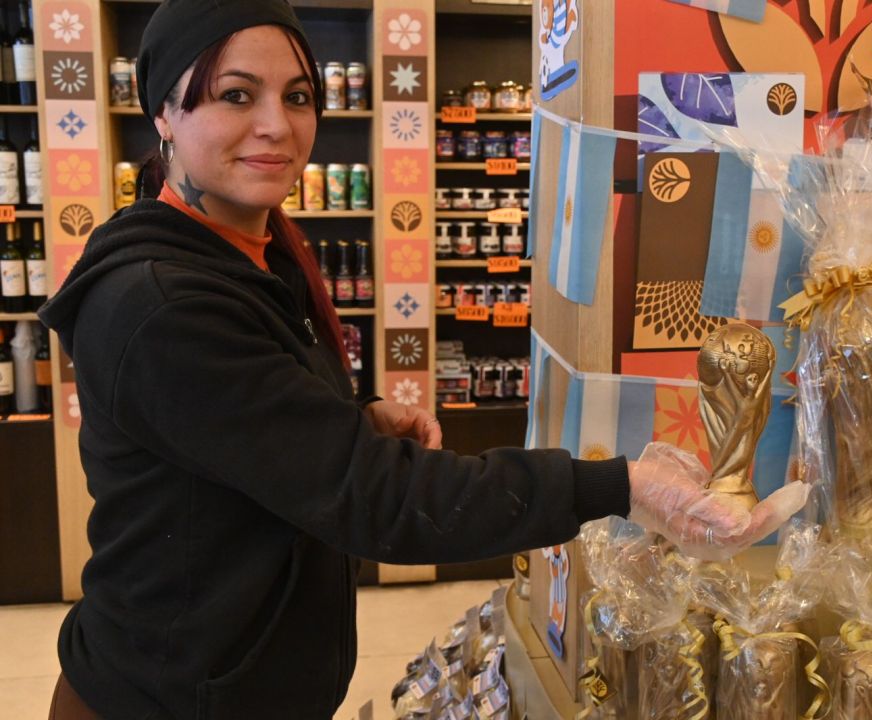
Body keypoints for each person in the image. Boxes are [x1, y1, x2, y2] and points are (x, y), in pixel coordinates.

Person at [39, 1, 805, 717]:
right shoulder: (164, 304)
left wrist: (349, 417)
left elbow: (240, 428)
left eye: (297, 96)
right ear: (164, 113)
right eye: (235, 95)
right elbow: (379, 503)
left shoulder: (250, 251)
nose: (276, 125)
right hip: (164, 700)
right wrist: (623, 487)